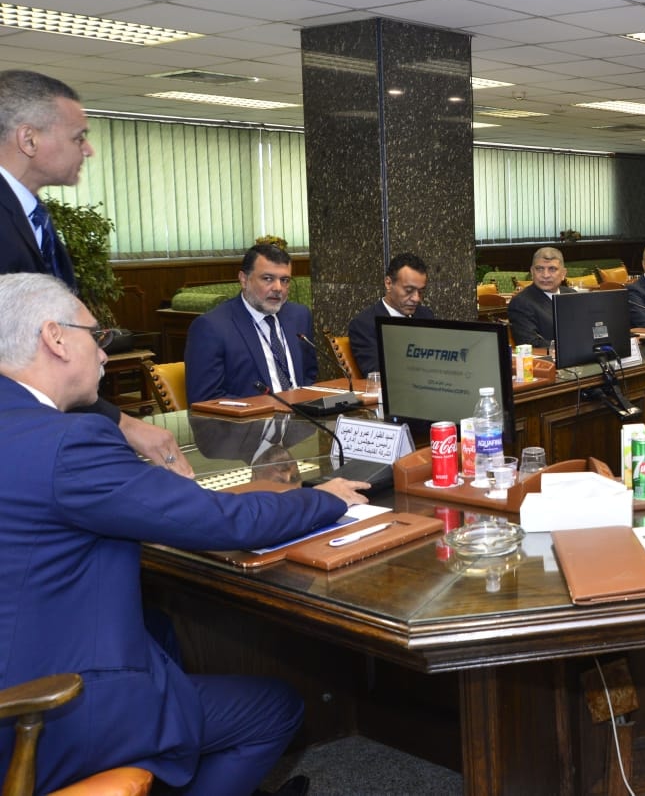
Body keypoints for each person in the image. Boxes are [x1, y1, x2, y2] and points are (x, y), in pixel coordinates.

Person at [0, 272, 371, 795]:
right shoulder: (67, 443)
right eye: (96, 336)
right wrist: (324, 498)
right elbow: (220, 522)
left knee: (162, 629)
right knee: (274, 708)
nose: (104, 354)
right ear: (54, 338)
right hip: (42, 711)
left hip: (24, 657)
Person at [0, 69, 191, 477]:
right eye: (78, 137)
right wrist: (119, 423)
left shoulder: (32, 215)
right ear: (28, 139)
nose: (88, 150)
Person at [185, 243, 318, 403]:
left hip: (302, 414)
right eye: (268, 278)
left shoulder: (299, 316)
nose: (278, 288)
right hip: (254, 418)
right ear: (244, 280)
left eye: (284, 280)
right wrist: (266, 408)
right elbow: (205, 398)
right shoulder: (212, 327)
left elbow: (309, 375)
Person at [347, 252, 434, 376]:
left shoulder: (425, 315)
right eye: (409, 290)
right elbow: (377, 373)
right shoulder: (364, 325)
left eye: (420, 292)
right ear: (388, 283)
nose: (416, 298)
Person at [507, 246, 579, 347]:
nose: (545, 275)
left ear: (563, 274)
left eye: (552, 269)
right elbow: (530, 344)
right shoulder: (521, 303)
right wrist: (573, 345)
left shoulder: (572, 294)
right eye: (539, 269)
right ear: (532, 272)